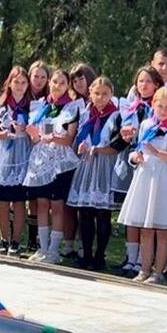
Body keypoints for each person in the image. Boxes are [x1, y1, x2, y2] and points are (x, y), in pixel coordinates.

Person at [118, 87, 167, 284]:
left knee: (162, 229)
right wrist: (136, 157)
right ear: (153, 105)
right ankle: (144, 268)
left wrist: (157, 153)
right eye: (159, 106)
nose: (163, 110)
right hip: (145, 177)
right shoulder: (146, 124)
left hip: (164, 180)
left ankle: (159, 271)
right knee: (145, 228)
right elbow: (135, 148)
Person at [23, 68, 82, 263]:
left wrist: (52, 138)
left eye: (62, 83)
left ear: (68, 86)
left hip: (60, 163)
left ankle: (54, 251)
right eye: (55, 81)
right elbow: (35, 138)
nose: (57, 86)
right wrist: (33, 134)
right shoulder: (41, 107)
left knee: (57, 205)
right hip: (41, 161)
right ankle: (43, 248)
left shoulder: (72, 108)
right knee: (41, 204)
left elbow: (69, 139)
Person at [112, 65, 163, 277]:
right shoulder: (131, 107)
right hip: (129, 160)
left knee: (146, 214)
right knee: (131, 213)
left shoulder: (159, 108)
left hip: (150, 164)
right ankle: (130, 259)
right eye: (140, 81)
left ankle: (144, 260)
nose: (144, 85)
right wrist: (123, 136)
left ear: (157, 85)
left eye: (148, 81)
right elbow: (117, 137)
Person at [67, 77, 120, 270]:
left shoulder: (116, 115)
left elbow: (116, 144)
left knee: (102, 212)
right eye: (97, 93)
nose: (100, 98)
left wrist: (99, 149)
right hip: (86, 164)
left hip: (104, 163)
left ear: (111, 95)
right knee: (85, 212)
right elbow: (78, 136)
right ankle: (86, 253)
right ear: (90, 93)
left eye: (105, 94)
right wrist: (81, 146)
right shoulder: (86, 114)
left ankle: (100, 256)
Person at [0, 66, 33, 256]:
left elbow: (37, 132)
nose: (20, 86)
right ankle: (3, 239)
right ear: (9, 83)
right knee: (3, 201)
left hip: (23, 153)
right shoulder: (0, 105)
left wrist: (27, 129)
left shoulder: (33, 105)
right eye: (17, 82)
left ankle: (16, 241)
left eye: (23, 82)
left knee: (20, 201)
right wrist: (5, 133)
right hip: (4, 155)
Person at [63, 62, 97, 259]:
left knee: (88, 205)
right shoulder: (72, 103)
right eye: (74, 81)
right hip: (72, 155)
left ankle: (86, 245)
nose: (77, 83)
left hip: (92, 157)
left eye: (81, 78)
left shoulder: (102, 99)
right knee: (69, 202)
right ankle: (69, 243)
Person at [25, 60, 51, 251]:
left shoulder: (49, 101)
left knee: (39, 199)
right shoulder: (22, 96)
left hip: (40, 151)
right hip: (21, 149)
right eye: (36, 76)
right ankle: (21, 237)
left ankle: (36, 240)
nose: (39, 80)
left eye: (43, 77)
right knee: (21, 198)